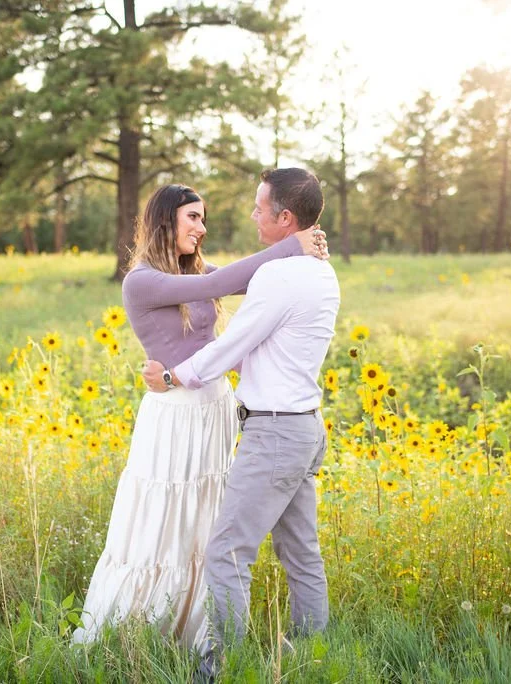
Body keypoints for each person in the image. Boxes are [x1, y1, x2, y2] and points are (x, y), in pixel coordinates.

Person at [71, 183, 327, 650]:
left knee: (206, 518)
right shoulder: (141, 280)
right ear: (165, 220)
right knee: (167, 518)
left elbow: (244, 281)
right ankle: (147, 627)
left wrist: (301, 255)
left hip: (214, 409)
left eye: (203, 218)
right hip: (175, 413)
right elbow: (218, 285)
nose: (202, 227)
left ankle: (202, 630)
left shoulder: (197, 270)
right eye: (193, 217)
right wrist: (294, 243)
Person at [142, 168, 340, 680]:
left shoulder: (278, 276)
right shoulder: (323, 271)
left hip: (274, 434)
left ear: (285, 217)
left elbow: (232, 346)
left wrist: (173, 375)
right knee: (302, 553)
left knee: (227, 553)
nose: (253, 215)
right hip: (306, 428)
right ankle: (313, 654)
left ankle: (221, 667)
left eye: (259, 207)